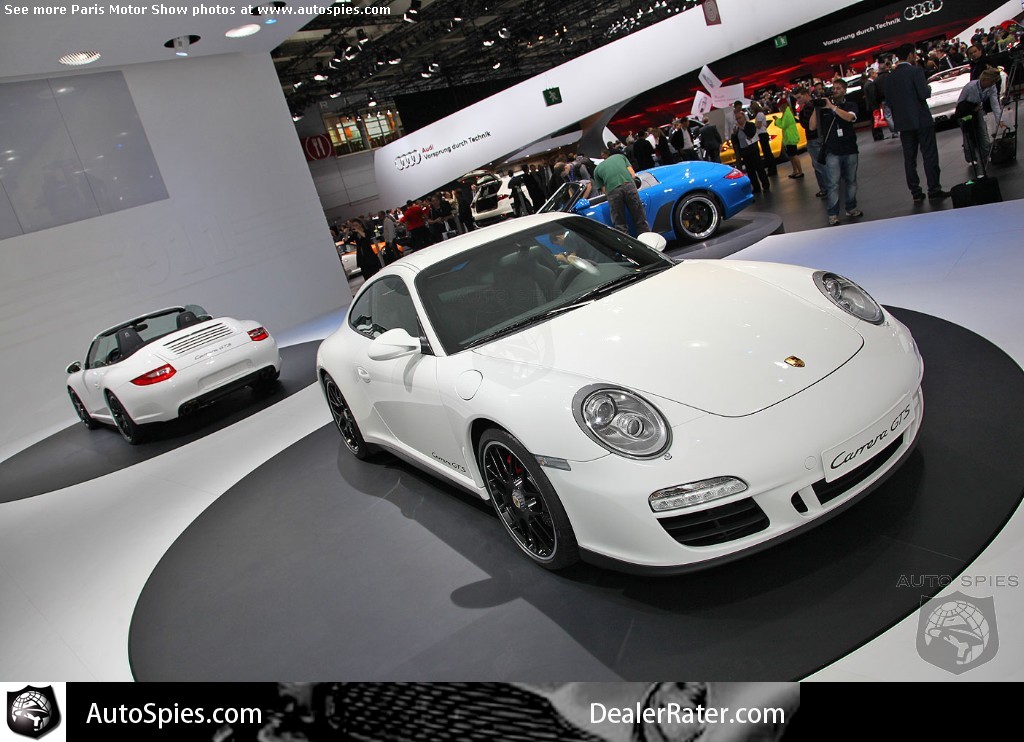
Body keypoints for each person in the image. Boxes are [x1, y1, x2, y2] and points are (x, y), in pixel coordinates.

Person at [884, 43, 949, 202]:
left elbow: (889, 102)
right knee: (929, 155)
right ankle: (934, 189)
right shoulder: (916, 71)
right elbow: (924, 93)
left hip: (903, 123)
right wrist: (928, 88)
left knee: (909, 159)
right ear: (910, 55)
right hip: (921, 119)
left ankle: (916, 192)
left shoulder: (889, 77)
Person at [809, 78, 862, 226]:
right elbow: (812, 127)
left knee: (851, 181)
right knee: (833, 184)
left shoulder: (850, 105)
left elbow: (850, 117)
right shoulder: (824, 108)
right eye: (833, 88)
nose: (835, 90)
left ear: (844, 90)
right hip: (832, 151)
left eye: (838, 88)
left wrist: (832, 107)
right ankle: (833, 214)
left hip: (850, 149)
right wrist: (817, 108)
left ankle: (851, 208)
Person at [592, 149, 651, 235]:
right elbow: (632, 175)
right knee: (639, 216)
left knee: (619, 223)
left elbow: (605, 191)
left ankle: (625, 241)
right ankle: (646, 237)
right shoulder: (621, 157)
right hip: (628, 185)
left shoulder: (596, 170)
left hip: (613, 191)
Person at [956, 68, 1006, 165]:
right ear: (985, 79)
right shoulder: (970, 87)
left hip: (978, 110)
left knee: (983, 132)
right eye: (991, 82)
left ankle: (986, 155)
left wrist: (999, 119)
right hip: (965, 112)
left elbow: (995, 103)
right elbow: (960, 104)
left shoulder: (992, 87)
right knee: (968, 135)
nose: (992, 84)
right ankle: (971, 159)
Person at [795, 87, 828, 197]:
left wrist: (801, 112)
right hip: (820, 137)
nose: (798, 100)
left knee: (819, 165)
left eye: (799, 97)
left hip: (813, 139)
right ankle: (826, 187)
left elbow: (806, 124)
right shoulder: (815, 104)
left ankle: (828, 187)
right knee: (820, 164)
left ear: (805, 95)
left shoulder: (808, 107)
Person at [734, 110, 770, 194]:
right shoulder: (737, 129)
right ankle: (756, 187)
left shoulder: (750, 125)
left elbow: (750, 134)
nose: (738, 120)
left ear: (744, 117)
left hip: (753, 150)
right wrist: (734, 134)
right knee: (750, 171)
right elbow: (736, 141)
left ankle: (765, 184)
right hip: (744, 151)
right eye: (737, 119)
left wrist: (742, 128)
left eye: (740, 118)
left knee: (759, 168)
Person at [774, 98, 803, 178]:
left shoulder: (787, 113)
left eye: (780, 106)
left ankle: (800, 171)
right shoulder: (786, 113)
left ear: (783, 105)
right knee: (791, 156)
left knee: (794, 155)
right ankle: (795, 170)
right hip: (788, 138)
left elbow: (783, 125)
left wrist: (776, 121)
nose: (779, 108)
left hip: (790, 137)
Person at [749, 102, 778, 177]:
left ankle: (772, 169)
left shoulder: (759, 115)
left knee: (767, 152)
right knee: (767, 152)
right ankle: (772, 168)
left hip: (762, 134)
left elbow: (758, 126)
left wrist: (753, 126)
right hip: (763, 134)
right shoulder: (761, 114)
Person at [864, 67, 885, 142]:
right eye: (875, 73)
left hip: (871, 106)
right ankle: (878, 135)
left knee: (874, 121)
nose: (876, 74)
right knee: (875, 121)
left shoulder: (867, 83)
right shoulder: (870, 84)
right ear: (872, 74)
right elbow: (873, 96)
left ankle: (877, 135)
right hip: (873, 106)